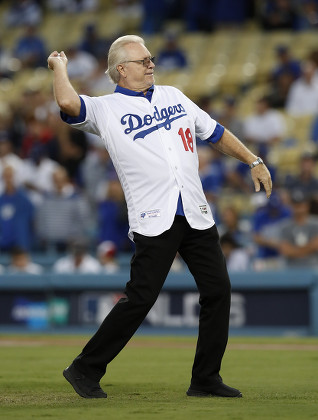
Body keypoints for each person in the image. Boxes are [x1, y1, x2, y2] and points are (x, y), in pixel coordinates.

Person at [48, 35, 272, 400]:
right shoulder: (106, 109)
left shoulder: (174, 96)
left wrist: (253, 160)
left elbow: (215, 132)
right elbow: (67, 102)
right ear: (121, 69)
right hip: (155, 215)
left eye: (151, 58)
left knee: (218, 291)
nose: (151, 64)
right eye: (143, 60)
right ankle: (84, 368)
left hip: (195, 211)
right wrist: (60, 69)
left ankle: (205, 378)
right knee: (141, 297)